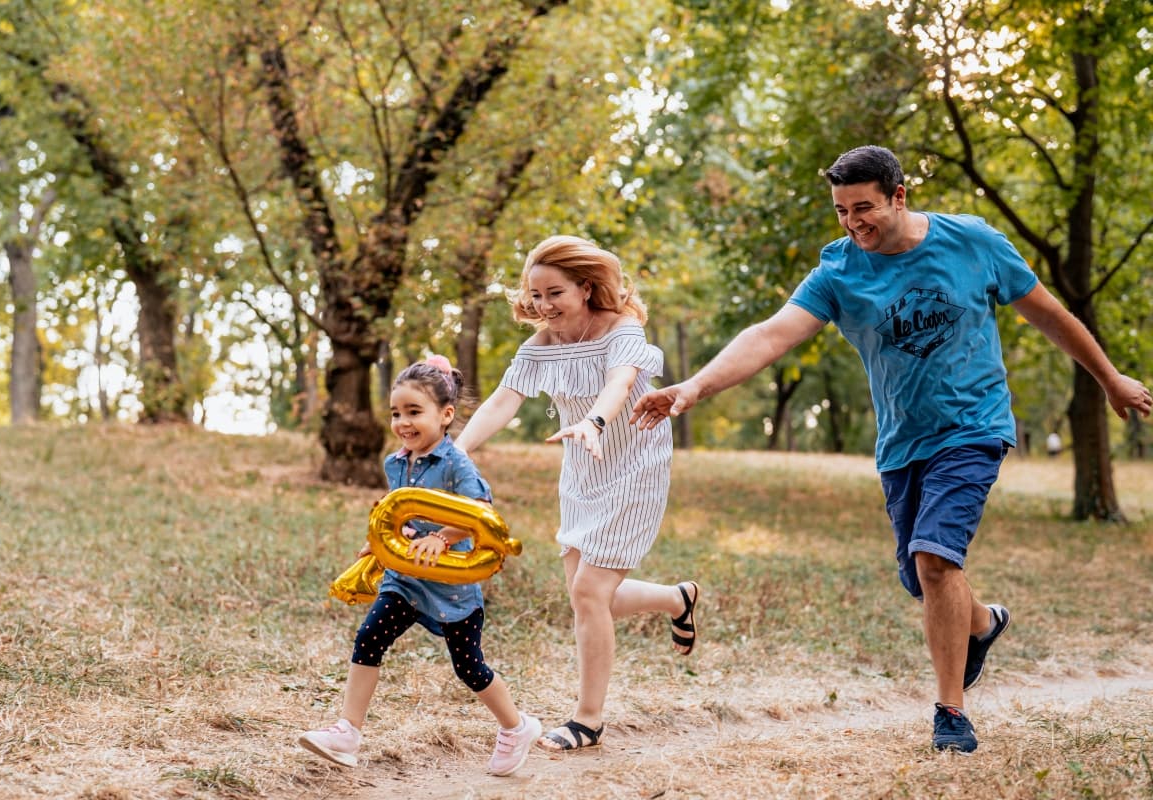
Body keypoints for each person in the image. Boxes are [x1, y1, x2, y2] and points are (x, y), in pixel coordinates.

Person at [630, 146, 1153, 754]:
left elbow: (1048, 314)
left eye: (865, 208)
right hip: (903, 444)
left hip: (974, 427)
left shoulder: (973, 242)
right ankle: (982, 623)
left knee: (935, 561)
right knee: (926, 581)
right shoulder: (839, 272)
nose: (854, 222)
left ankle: (950, 713)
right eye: (841, 211)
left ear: (899, 196)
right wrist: (694, 386)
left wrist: (1109, 376)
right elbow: (771, 333)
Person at [456, 234, 700, 753]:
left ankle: (588, 721)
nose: (544, 306)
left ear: (586, 288)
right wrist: (458, 451)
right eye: (535, 295)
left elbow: (619, 382)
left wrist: (592, 421)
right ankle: (677, 598)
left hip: (635, 462)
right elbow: (504, 399)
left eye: (555, 293)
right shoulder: (542, 343)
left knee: (589, 593)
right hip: (582, 469)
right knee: (586, 595)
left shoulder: (621, 330)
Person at [298, 356, 542, 777]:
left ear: (445, 415)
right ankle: (347, 732)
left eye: (414, 412)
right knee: (369, 637)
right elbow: (400, 515)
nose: (403, 423)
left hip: (450, 588)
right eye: (396, 413)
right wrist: (379, 544)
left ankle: (515, 727)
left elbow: (482, 511)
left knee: (469, 667)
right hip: (405, 579)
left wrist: (440, 537)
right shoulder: (396, 463)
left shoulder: (455, 463)